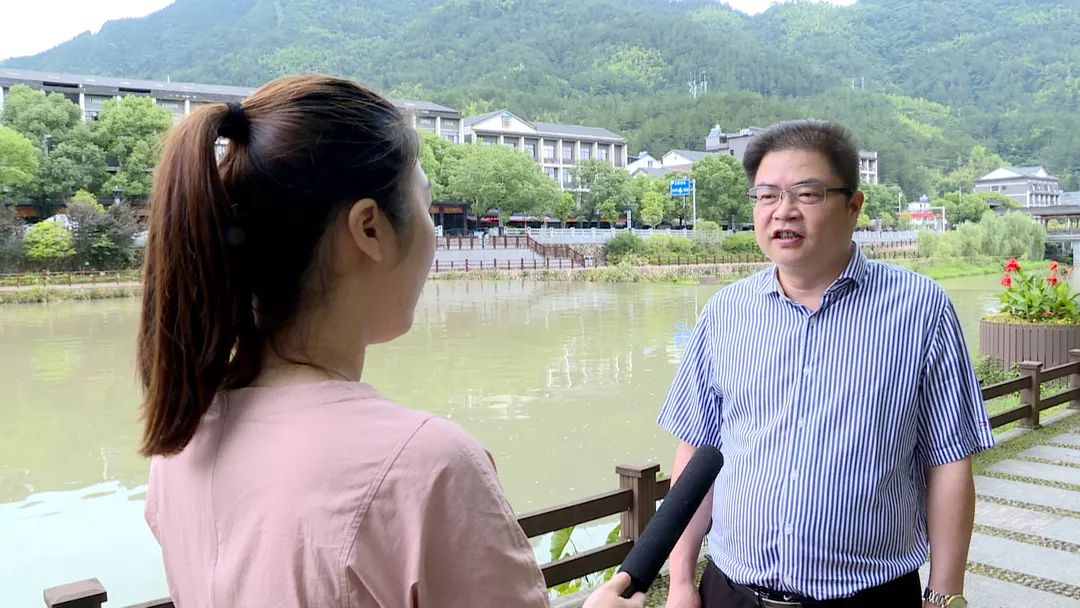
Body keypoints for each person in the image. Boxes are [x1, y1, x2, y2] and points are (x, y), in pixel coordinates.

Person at [137, 74, 644, 608]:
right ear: (369, 229)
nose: (431, 231)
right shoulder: (425, 467)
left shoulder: (181, 441)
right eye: (425, 205)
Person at [658, 120, 993, 608]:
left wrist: (945, 595)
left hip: (868, 596)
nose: (783, 212)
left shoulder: (919, 308)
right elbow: (697, 455)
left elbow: (949, 462)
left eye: (807, 194)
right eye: (767, 195)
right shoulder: (725, 313)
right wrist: (682, 580)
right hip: (731, 592)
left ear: (853, 206)